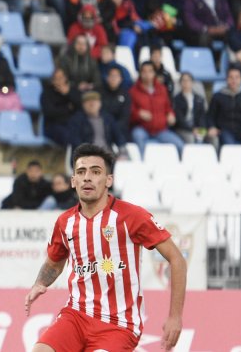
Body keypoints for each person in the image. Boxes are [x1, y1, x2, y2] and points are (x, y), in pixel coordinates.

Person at [24, 144, 186, 352]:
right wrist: (39, 283)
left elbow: (177, 259)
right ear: (73, 181)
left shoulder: (132, 216)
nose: (87, 178)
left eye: (96, 172)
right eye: (81, 172)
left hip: (119, 324)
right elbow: (54, 262)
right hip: (76, 315)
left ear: (109, 180)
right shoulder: (65, 222)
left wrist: (175, 317)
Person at [129, 61, 183, 155]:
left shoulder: (162, 89)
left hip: (161, 130)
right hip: (142, 129)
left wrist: (171, 115)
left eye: (150, 71)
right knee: (139, 139)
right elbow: (129, 112)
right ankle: (142, 167)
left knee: (180, 145)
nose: (147, 74)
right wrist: (139, 114)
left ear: (154, 73)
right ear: (140, 74)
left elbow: (168, 108)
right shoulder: (133, 91)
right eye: (144, 72)